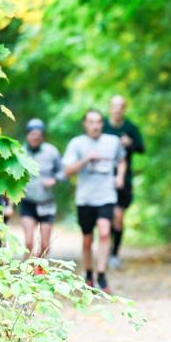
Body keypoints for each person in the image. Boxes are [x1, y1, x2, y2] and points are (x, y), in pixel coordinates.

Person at [62, 109, 127, 293]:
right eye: (91, 122)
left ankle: (102, 276)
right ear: (85, 124)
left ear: (102, 124)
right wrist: (85, 159)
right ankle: (89, 274)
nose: (95, 125)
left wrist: (120, 176)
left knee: (105, 233)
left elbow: (122, 160)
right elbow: (67, 171)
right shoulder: (77, 143)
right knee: (87, 240)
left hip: (106, 196)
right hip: (85, 198)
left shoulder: (112, 142)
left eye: (98, 121)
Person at [104, 95, 145, 268]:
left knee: (118, 218)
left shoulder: (131, 128)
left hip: (123, 180)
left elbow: (142, 149)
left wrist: (131, 143)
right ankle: (103, 251)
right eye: (114, 106)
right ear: (109, 108)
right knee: (105, 219)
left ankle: (114, 254)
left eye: (121, 106)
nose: (117, 109)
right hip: (102, 180)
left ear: (124, 109)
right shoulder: (102, 127)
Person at [19, 119, 64, 263]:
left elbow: (63, 171)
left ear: (42, 137)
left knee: (45, 244)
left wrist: (54, 180)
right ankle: (27, 272)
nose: (35, 138)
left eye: (38, 135)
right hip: (28, 201)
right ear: (27, 135)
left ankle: (40, 271)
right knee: (29, 241)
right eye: (32, 135)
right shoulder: (20, 152)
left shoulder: (51, 151)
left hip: (46, 202)